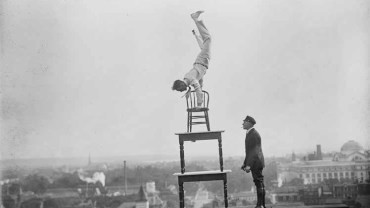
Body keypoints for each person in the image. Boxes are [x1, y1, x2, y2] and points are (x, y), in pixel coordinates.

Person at [172, 11, 211, 108]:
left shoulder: (190, 79)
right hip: (203, 62)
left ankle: (195, 18)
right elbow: (200, 79)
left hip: (202, 61)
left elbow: (197, 86)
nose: (181, 91)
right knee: (203, 45)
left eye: (180, 89)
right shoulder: (189, 80)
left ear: (181, 84)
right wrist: (196, 36)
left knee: (208, 38)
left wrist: (199, 104)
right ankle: (196, 25)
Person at [241, 116, 266, 208]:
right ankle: (261, 205)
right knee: (259, 183)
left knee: (259, 183)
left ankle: (260, 206)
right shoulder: (250, 133)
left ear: (249, 123)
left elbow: (254, 151)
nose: (242, 124)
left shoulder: (253, 134)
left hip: (256, 163)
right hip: (256, 162)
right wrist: (245, 164)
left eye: (244, 122)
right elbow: (248, 151)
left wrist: (249, 165)